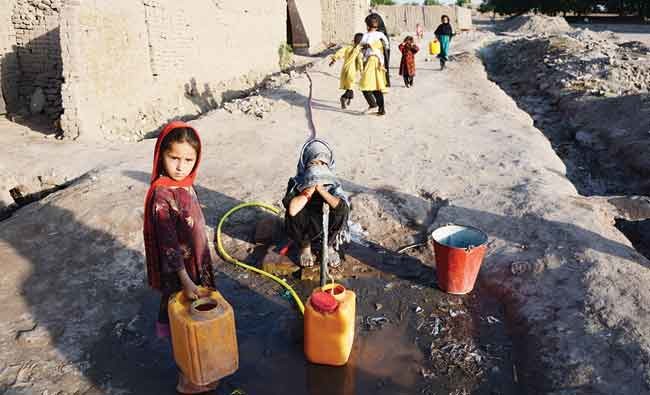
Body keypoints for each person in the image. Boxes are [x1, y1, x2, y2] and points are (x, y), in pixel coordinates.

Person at [143, 121, 219, 394]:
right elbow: (168, 245)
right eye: (173, 158)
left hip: (196, 267)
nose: (180, 166)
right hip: (180, 274)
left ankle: (199, 372)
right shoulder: (162, 194)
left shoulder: (187, 185)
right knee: (183, 324)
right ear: (160, 155)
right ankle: (187, 379)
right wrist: (185, 279)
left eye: (188, 159)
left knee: (198, 320)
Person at [283, 139, 350, 269]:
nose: (318, 167)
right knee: (296, 210)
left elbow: (342, 207)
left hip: (325, 223)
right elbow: (292, 210)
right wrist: (310, 188)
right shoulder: (296, 183)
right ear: (305, 163)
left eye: (322, 163)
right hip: (305, 225)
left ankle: (329, 246)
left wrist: (322, 190)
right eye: (313, 163)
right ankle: (305, 247)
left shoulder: (333, 184)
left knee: (342, 211)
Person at [359, 14, 389, 116]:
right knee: (377, 86)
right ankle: (381, 109)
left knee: (364, 85)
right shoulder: (381, 35)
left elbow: (361, 47)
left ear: (367, 25)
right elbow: (386, 46)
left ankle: (373, 105)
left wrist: (368, 47)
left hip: (371, 61)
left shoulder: (366, 36)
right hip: (379, 62)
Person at [329, 33, 364, 109]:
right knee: (350, 88)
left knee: (350, 87)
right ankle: (343, 98)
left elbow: (340, 52)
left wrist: (334, 59)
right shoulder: (358, 50)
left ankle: (348, 98)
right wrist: (362, 71)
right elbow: (360, 61)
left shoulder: (348, 47)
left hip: (346, 69)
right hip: (351, 71)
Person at [365, 11, 391, 87]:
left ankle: (382, 82)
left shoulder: (379, 34)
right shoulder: (379, 32)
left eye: (368, 25)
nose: (367, 27)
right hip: (378, 54)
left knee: (381, 65)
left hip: (379, 54)